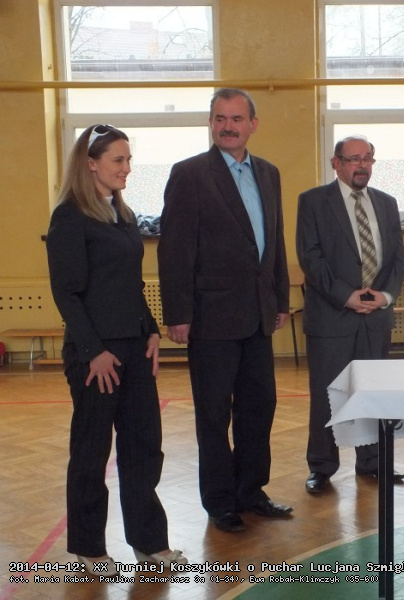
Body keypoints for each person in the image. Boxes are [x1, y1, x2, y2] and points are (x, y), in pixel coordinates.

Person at [46, 124, 186, 574]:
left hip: (134, 348)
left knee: (145, 447)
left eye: (128, 160)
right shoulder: (69, 217)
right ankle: (89, 550)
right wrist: (94, 351)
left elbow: (130, 284)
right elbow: (67, 293)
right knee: (91, 452)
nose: (127, 168)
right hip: (96, 356)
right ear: (91, 164)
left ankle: (149, 542)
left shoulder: (121, 215)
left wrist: (151, 330)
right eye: (118, 160)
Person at [158, 88, 293, 533]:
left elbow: (273, 241)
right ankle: (219, 502)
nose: (227, 126)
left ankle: (251, 491)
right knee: (214, 415)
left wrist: (279, 299)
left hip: (258, 315)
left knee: (259, 407)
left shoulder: (269, 173)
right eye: (220, 118)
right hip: (210, 318)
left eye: (236, 118)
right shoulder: (189, 174)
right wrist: (178, 313)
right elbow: (174, 250)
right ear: (210, 123)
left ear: (253, 124)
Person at [297, 135, 404, 494]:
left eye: (368, 158)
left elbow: (397, 258)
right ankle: (322, 467)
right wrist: (346, 296)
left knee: (372, 393)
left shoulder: (387, 203)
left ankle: (372, 462)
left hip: (375, 317)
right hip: (332, 317)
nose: (362, 165)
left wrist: (385, 296)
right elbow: (310, 257)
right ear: (336, 163)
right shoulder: (313, 201)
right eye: (354, 159)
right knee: (327, 395)